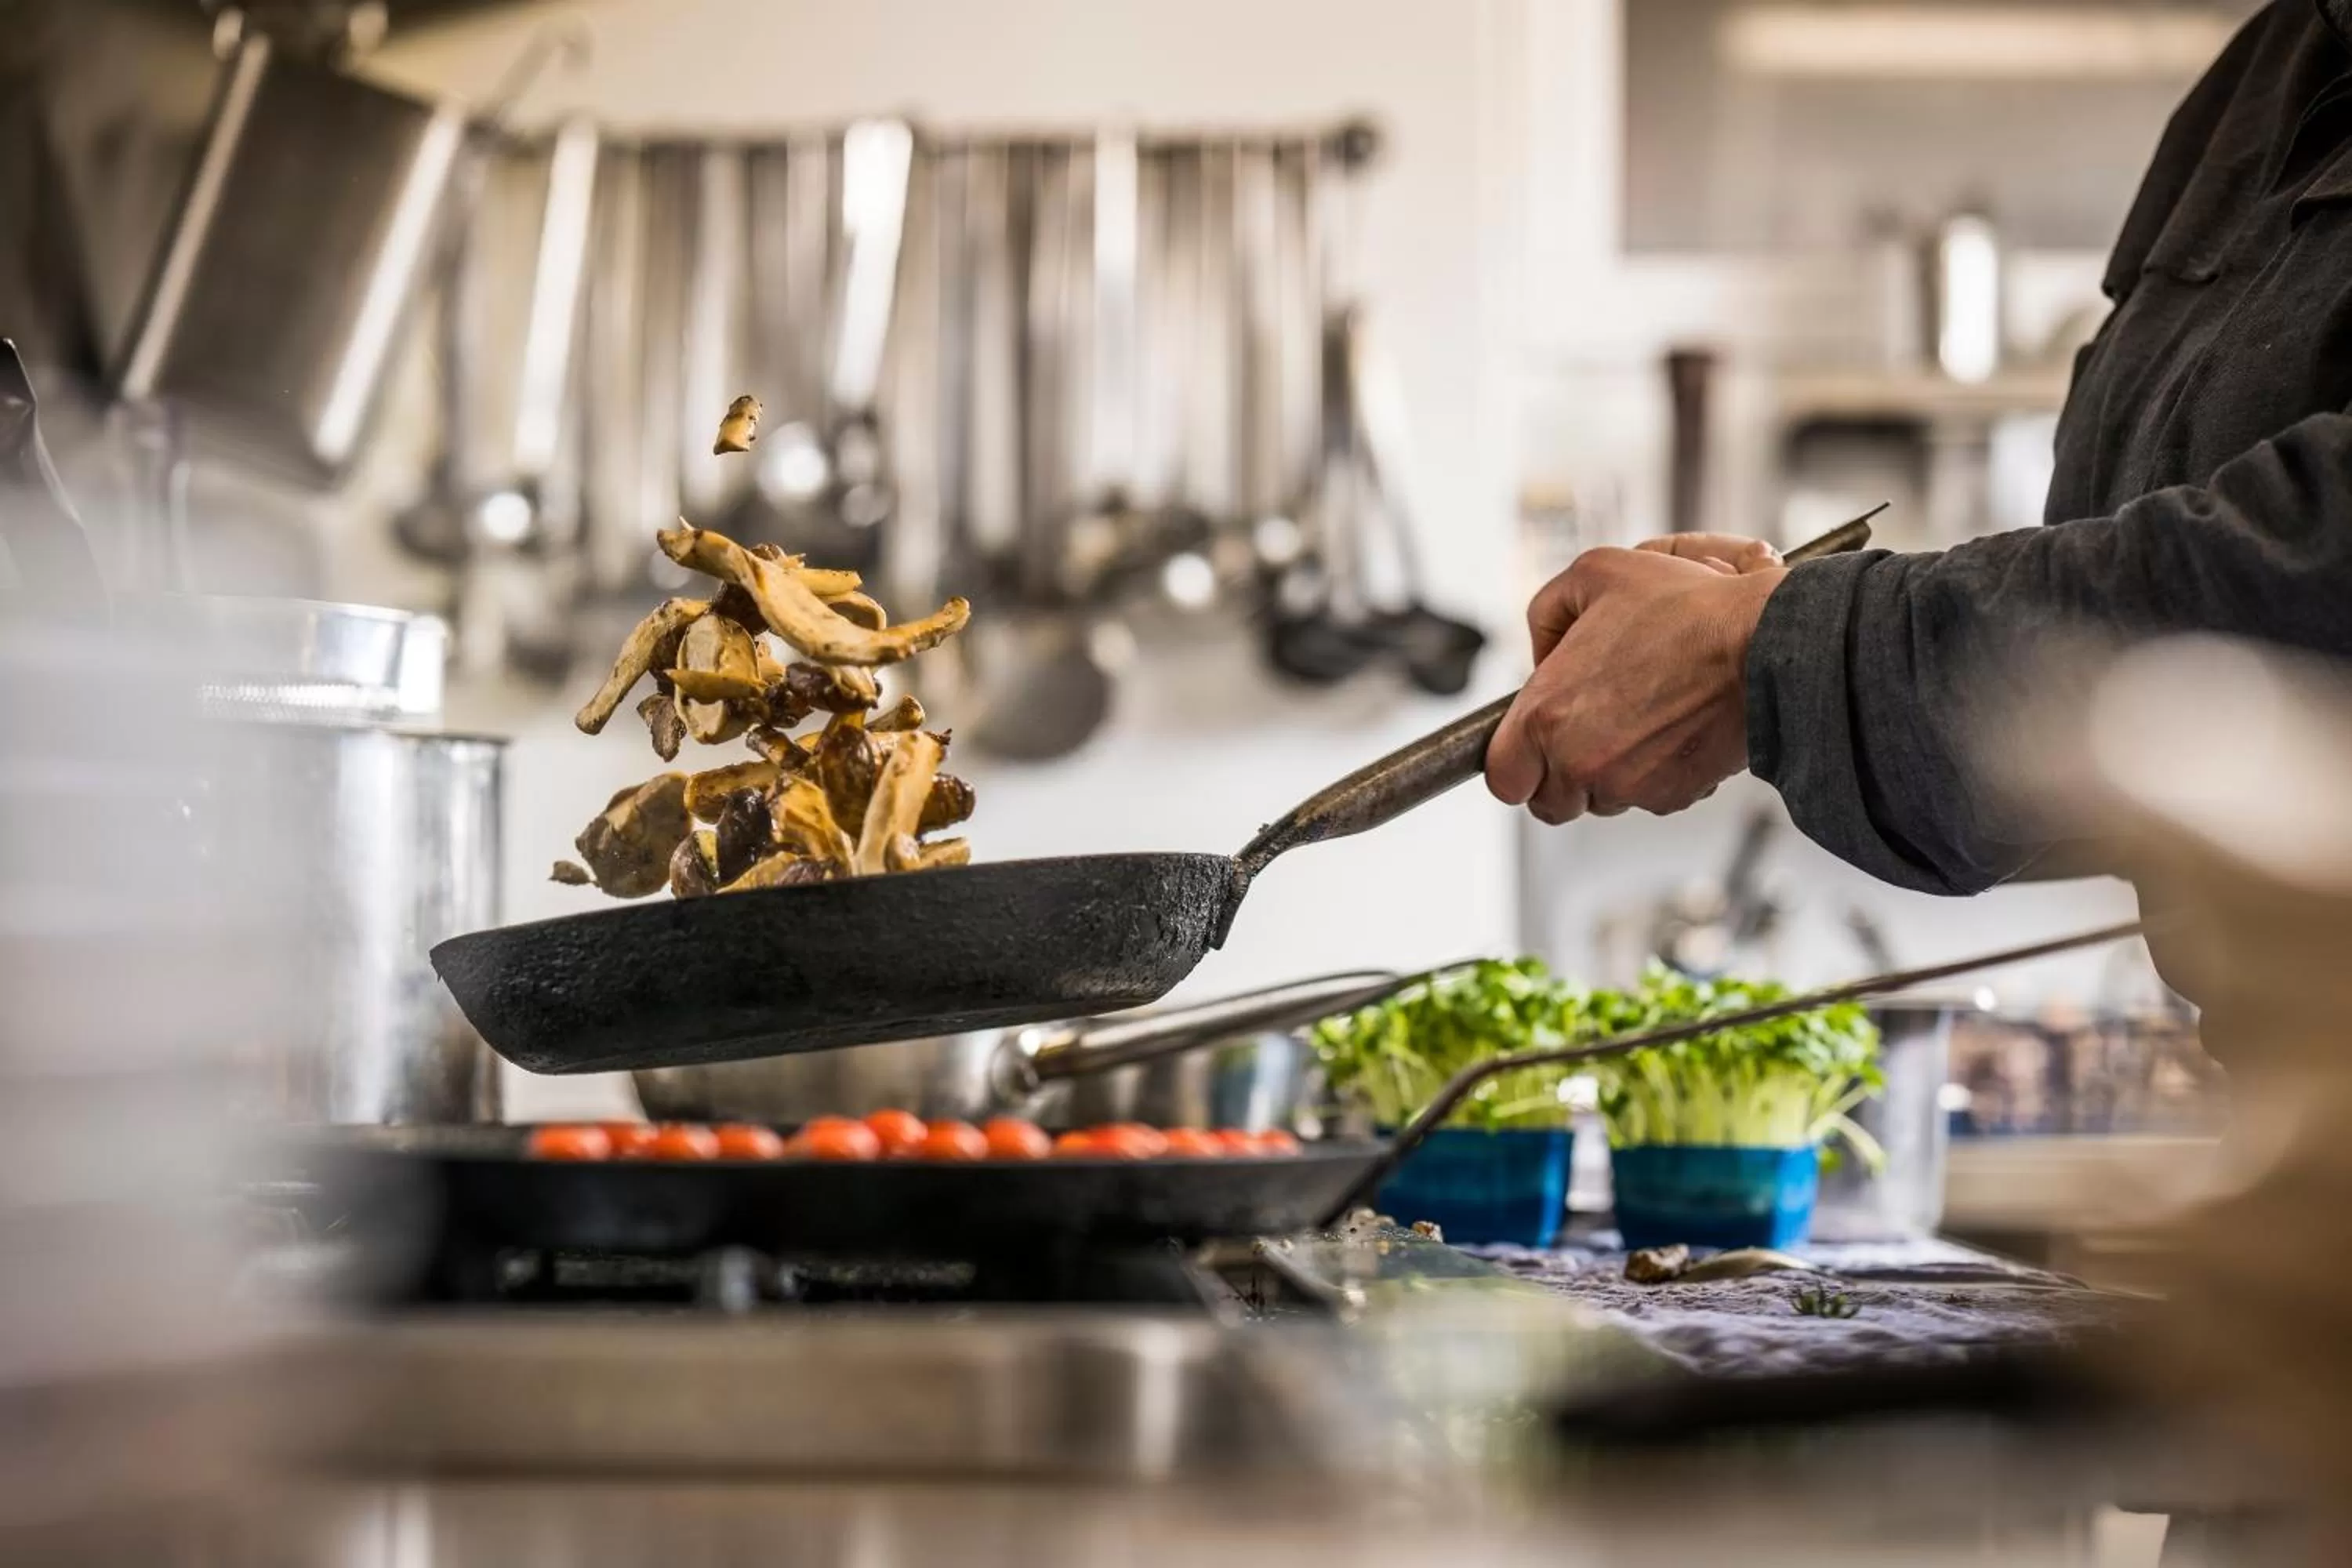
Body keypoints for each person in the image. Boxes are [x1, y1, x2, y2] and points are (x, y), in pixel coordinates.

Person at [1487, 0, 2352, 895]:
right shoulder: (2273, 71)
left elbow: (2316, 572)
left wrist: (1759, 649)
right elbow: (2144, 702)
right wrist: (1773, 659)